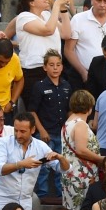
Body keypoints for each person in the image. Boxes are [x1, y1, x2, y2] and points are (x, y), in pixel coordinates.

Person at [0, 112, 69, 210]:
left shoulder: (41, 147)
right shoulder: (2, 143)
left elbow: (63, 168)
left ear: (33, 130)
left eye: (22, 131)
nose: (18, 135)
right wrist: (20, 164)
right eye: (16, 130)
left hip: (23, 208)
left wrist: (60, 158)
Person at [15, 0, 72, 111]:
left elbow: (66, 34)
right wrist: (55, 5)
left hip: (53, 69)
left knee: (54, 111)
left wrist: (63, 10)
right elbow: (48, 30)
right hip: (34, 71)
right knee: (36, 111)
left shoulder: (47, 15)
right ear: (31, 2)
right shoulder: (24, 17)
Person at [30, 49, 70, 199]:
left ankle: (61, 196)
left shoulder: (66, 85)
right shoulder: (39, 86)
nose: (55, 68)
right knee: (43, 166)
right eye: (51, 65)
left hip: (61, 133)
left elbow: (68, 110)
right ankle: (42, 195)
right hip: (45, 134)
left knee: (61, 164)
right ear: (45, 67)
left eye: (58, 65)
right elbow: (32, 111)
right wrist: (41, 130)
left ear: (62, 67)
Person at [65, 0, 106, 90]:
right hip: (82, 77)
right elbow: (68, 50)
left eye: (105, 1)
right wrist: (83, 72)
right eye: (98, 0)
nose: (102, 4)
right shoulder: (78, 19)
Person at [61, 89, 104, 210]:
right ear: (89, 107)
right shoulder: (80, 124)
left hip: (71, 173)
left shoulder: (68, 123)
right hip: (82, 175)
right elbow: (81, 150)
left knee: (72, 209)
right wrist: (101, 159)